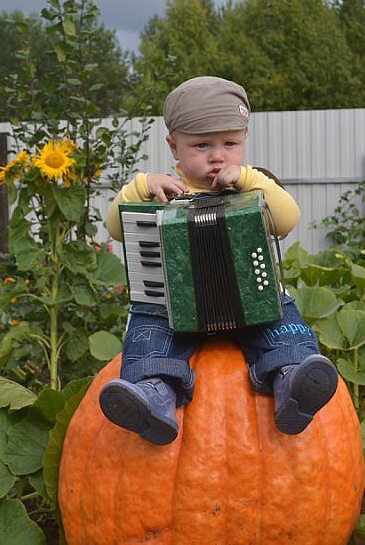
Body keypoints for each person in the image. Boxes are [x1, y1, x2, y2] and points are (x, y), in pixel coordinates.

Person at [99, 76, 338, 445]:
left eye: (230, 143)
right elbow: (116, 228)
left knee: (280, 320)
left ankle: (292, 380)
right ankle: (153, 395)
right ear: (173, 145)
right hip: (173, 309)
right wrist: (140, 186)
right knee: (149, 331)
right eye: (201, 145)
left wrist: (248, 178)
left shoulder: (252, 184)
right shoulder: (158, 192)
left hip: (248, 302)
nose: (217, 155)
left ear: (244, 140)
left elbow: (287, 219)